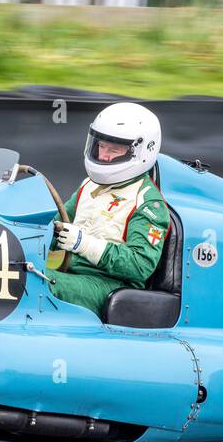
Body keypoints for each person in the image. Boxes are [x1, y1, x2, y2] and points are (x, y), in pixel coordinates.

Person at [45, 103, 169, 316]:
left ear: (141, 152)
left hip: (110, 285)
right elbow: (56, 226)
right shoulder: (89, 185)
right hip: (74, 274)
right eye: (101, 146)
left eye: (114, 150)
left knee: (39, 285)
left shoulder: (149, 203)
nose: (104, 156)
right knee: (15, 272)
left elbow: (140, 265)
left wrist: (84, 244)